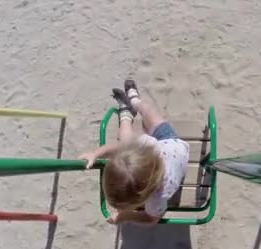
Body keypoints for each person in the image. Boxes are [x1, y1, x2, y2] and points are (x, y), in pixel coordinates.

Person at [79, 80, 189, 224]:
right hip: (171, 142)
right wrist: (96, 154)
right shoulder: (148, 148)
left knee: (127, 138)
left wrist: (125, 216)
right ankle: (132, 105)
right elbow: (120, 147)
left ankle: (129, 109)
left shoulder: (156, 199)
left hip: (172, 147)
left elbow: (151, 219)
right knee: (147, 115)